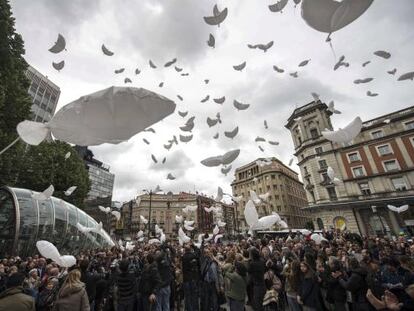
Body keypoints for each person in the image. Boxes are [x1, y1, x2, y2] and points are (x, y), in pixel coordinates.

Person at [181, 243, 200, 311]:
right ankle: (195, 309)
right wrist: (193, 245)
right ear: (190, 249)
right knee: (194, 295)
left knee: (188, 296)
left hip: (186, 279)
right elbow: (198, 251)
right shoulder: (194, 255)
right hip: (193, 278)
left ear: (185, 250)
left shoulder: (183, 257)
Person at [248, 247, 266, 311]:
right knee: (263, 303)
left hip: (257, 285)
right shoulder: (262, 261)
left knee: (258, 304)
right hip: (263, 284)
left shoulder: (252, 264)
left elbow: (249, 271)